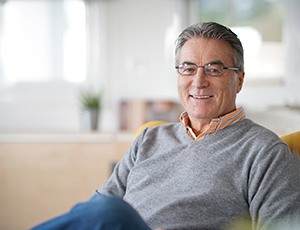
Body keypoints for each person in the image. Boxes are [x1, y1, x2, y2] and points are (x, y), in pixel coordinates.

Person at [32, 22, 300, 230]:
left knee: (110, 212)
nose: (198, 81)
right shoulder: (149, 138)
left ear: (239, 80)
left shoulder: (265, 151)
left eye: (214, 69)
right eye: (188, 68)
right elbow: (95, 209)